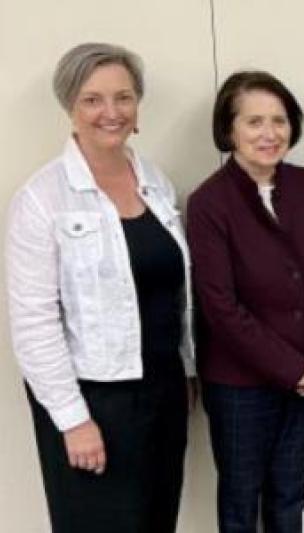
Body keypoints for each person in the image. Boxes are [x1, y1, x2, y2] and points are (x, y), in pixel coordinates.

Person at [6, 43, 194, 533]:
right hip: (95, 403)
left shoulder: (155, 181)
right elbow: (34, 322)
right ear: (70, 105)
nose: (111, 112)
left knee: (158, 521)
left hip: (163, 391)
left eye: (124, 97)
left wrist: (187, 371)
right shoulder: (41, 198)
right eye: (93, 99)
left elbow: (174, 293)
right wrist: (73, 420)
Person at [186, 70, 304, 533]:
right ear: (229, 129)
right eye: (254, 121)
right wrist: (293, 367)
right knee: (241, 503)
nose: (269, 133)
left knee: (290, 494)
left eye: (279, 120)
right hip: (241, 384)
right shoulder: (209, 203)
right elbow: (220, 307)